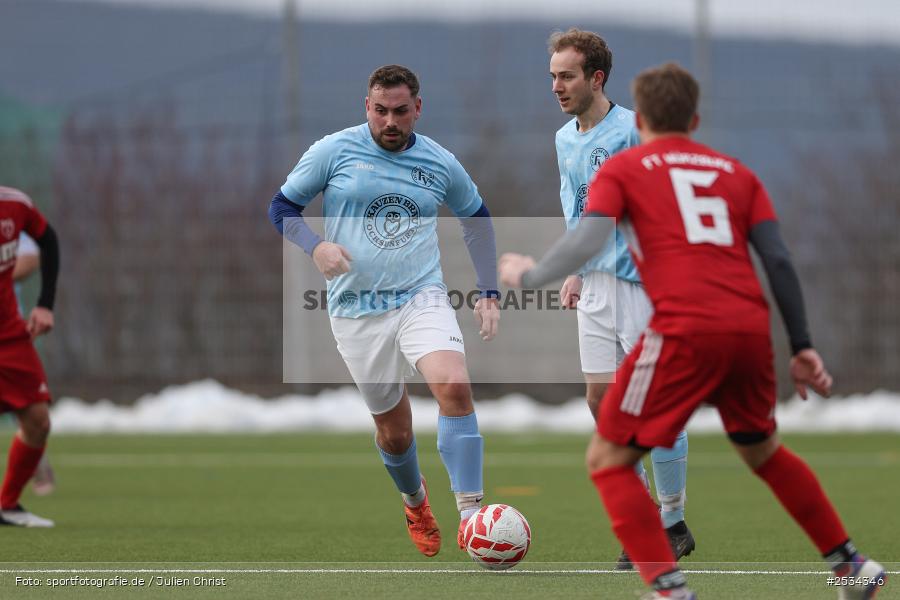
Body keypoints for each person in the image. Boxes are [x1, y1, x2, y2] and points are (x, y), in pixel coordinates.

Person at [500, 63, 886, 599]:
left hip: (683, 327)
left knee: (607, 461)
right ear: (696, 118)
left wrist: (530, 273)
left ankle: (669, 587)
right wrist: (801, 345)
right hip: (750, 328)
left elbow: (590, 235)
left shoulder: (624, 166)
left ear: (641, 118)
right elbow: (777, 258)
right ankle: (851, 565)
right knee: (763, 450)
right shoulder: (737, 173)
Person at [269, 65, 500, 557]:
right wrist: (315, 248)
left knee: (454, 385)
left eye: (399, 111)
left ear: (418, 108)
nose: (389, 122)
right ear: (366, 107)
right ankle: (415, 500)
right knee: (394, 433)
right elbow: (282, 208)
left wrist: (488, 290)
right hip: (355, 310)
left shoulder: (439, 162)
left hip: (421, 296)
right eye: (380, 111)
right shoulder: (334, 151)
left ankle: (472, 516)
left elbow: (476, 218)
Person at [547, 28, 692, 568]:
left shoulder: (634, 130)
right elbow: (576, 208)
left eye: (567, 76)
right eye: (553, 76)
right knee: (600, 402)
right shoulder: (564, 140)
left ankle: (671, 521)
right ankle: (648, 517)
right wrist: (574, 268)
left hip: (642, 285)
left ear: (596, 78)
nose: (557, 86)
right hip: (596, 285)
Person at [0, 185, 60, 528]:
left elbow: (47, 241)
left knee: (38, 420)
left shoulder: (15, 205)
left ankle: (7, 505)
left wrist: (45, 305)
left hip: (9, 334)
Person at [12, 233, 56, 497]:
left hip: (7, 329)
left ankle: (34, 458)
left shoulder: (7, 211)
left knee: (28, 406)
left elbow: (30, 257)